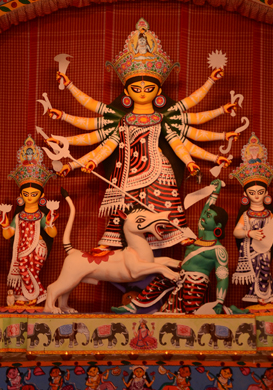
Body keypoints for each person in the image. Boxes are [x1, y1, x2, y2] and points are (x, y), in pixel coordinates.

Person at [50, 18, 239, 250]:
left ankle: (176, 230)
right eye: (136, 89)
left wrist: (192, 161)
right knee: (124, 203)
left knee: (168, 198)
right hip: (130, 168)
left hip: (158, 166)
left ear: (157, 91)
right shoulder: (123, 120)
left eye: (148, 89)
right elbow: (103, 143)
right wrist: (86, 162)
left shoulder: (161, 118)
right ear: (127, 91)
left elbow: (181, 139)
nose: (142, 93)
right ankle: (112, 238)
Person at [112, 180, 246, 315]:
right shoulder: (200, 237)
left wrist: (220, 301)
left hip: (196, 283)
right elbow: (204, 211)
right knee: (161, 281)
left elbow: (222, 278)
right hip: (180, 277)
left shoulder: (219, 250)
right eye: (205, 214)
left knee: (193, 311)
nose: (204, 216)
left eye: (209, 216)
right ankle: (133, 306)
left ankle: (228, 310)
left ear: (218, 226)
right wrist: (214, 194)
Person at [230, 134, 273, 306]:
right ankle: (261, 294)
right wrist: (249, 233)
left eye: (260, 192)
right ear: (245, 194)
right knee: (257, 271)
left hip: (265, 249)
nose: (256, 196)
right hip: (250, 250)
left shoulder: (269, 214)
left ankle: (266, 294)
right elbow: (236, 232)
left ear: (266, 193)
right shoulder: (246, 215)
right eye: (252, 193)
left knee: (265, 269)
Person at [1, 135, 58, 306]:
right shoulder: (18, 216)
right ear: (21, 195)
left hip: (37, 247)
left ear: (41, 195)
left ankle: (36, 295)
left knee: (29, 270)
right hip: (21, 249)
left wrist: (50, 222)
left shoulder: (41, 215)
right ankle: (25, 297)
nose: (30, 197)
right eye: (26, 194)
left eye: (34, 194)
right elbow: (8, 235)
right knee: (23, 269)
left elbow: (52, 234)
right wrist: (4, 222)